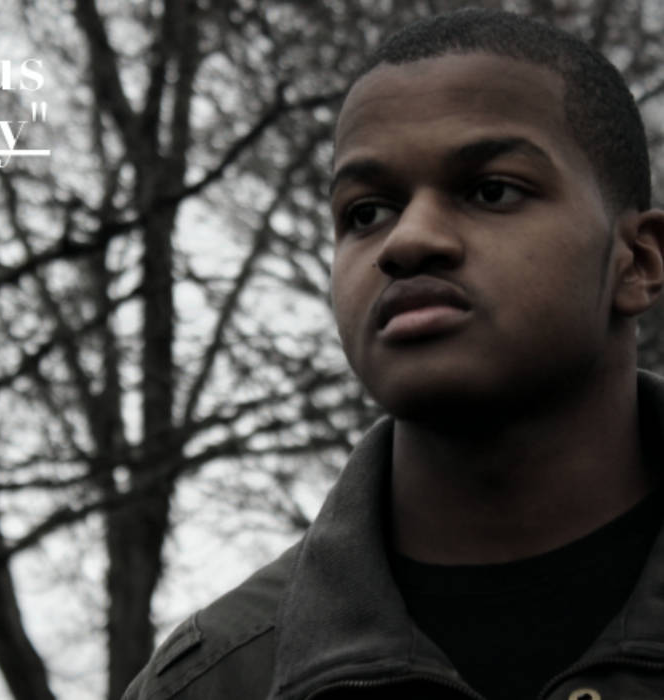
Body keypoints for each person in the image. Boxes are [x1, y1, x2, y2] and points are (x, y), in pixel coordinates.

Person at [124, 8, 664, 700]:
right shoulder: (216, 685)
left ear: (637, 261)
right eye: (366, 212)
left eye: (491, 191)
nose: (407, 241)